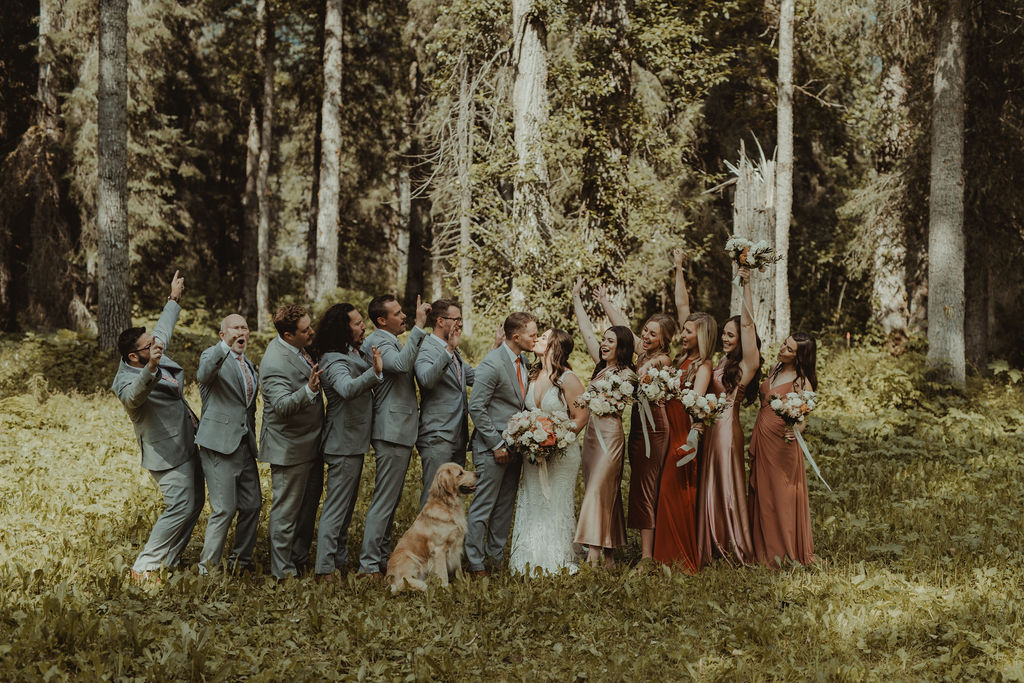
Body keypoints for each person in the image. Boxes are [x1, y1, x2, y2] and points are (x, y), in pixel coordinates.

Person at [112, 270, 204, 581]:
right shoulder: (125, 381)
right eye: (149, 346)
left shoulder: (150, 349)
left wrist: (173, 299)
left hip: (189, 437)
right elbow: (135, 396)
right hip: (165, 450)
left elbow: (163, 329)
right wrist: (151, 367)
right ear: (133, 356)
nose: (156, 345)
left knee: (195, 503)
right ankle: (143, 567)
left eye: (153, 343)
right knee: (180, 504)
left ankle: (170, 560)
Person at [594, 282, 676, 560]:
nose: (646, 335)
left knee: (645, 486)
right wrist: (605, 303)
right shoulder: (645, 354)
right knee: (643, 484)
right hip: (640, 428)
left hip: (655, 429)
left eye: (654, 334)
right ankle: (651, 548)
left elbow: (642, 371)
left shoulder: (660, 360)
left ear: (664, 340)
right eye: (646, 331)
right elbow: (625, 328)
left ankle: (646, 557)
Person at [357, 294, 431, 578]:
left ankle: (380, 560)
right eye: (398, 313)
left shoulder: (391, 339)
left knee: (391, 498)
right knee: (384, 500)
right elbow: (400, 365)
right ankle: (367, 565)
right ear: (381, 320)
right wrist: (420, 326)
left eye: (404, 312)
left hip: (400, 430)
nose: (404, 317)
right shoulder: (375, 342)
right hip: (390, 430)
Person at [652, 251, 716, 573]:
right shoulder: (680, 361)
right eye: (683, 329)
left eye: (688, 331)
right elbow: (682, 307)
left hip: (684, 434)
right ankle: (665, 555)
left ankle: (680, 558)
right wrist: (678, 269)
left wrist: (690, 442)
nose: (682, 333)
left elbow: (698, 406)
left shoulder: (702, 366)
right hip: (668, 428)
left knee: (675, 493)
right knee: (666, 493)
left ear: (701, 335)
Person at [312, 303, 383, 581]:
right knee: (336, 507)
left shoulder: (351, 351)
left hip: (353, 442)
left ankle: (338, 560)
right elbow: (346, 389)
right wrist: (374, 373)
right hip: (341, 442)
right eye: (356, 323)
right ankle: (324, 567)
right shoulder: (332, 359)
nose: (363, 326)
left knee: (346, 506)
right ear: (343, 328)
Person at [696, 266, 762, 565]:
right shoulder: (722, 360)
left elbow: (748, 326)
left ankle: (731, 543)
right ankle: (711, 540)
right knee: (710, 482)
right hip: (710, 429)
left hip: (726, 431)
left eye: (730, 334)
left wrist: (745, 284)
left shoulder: (748, 364)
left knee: (726, 484)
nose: (725, 338)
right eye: (724, 333)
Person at [508, 328, 587, 575]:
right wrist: (529, 436)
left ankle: (558, 558)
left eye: (543, 337)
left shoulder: (569, 379)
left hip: (562, 453)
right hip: (533, 451)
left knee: (556, 502)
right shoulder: (533, 374)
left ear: (554, 345)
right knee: (534, 501)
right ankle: (528, 557)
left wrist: (557, 438)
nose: (538, 339)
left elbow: (582, 416)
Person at [465, 312, 538, 576]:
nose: (536, 338)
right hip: (491, 447)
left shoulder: (525, 360)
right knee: (484, 504)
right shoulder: (492, 363)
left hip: (516, 446)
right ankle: (474, 562)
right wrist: (496, 444)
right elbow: (476, 407)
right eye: (532, 334)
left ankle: (494, 558)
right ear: (516, 337)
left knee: (505, 504)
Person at [572, 277, 635, 568]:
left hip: (611, 437)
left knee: (599, 488)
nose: (604, 343)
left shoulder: (627, 375)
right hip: (591, 439)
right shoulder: (601, 368)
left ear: (621, 346)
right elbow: (586, 331)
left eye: (610, 340)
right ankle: (610, 555)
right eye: (604, 340)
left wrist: (606, 303)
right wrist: (577, 299)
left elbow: (628, 332)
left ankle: (593, 554)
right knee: (600, 491)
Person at [259, 304, 324, 580]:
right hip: (289, 448)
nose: (311, 332)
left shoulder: (300, 348)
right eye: (305, 329)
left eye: (310, 325)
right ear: (287, 335)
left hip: (311, 443)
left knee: (308, 506)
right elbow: (282, 406)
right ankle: (282, 570)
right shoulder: (274, 363)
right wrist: (308, 390)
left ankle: (298, 558)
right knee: (286, 511)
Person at [194, 313, 262, 575]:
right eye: (234, 328)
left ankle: (240, 563)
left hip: (244, 445)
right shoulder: (213, 358)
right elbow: (204, 373)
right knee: (224, 509)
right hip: (219, 446)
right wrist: (224, 347)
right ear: (223, 335)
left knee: (253, 504)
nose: (240, 331)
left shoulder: (250, 365)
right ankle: (207, 569)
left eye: (244, 327)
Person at [748, 332, 818, 567]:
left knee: (780, 494)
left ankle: (784, 549)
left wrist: (796, 428)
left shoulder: (801, 381)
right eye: (784, 345)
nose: (782, 349)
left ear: (800, 357)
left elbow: (804, 414)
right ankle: (762, 546)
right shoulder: (776, 368)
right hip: (762, 434)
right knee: (762, 492)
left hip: (782, 441)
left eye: (789, 349)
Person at [414, 299, 475, 510]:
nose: (459, 323)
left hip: (457, 436)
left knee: (452, 500)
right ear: (440, 321)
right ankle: (425, 543)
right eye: (456, 319)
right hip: (437, 436)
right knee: (433, 500)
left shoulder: (454, 351)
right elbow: (426, 380)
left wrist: (498, 351)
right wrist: (448, 349)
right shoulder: (426, 347)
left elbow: (474, 377)